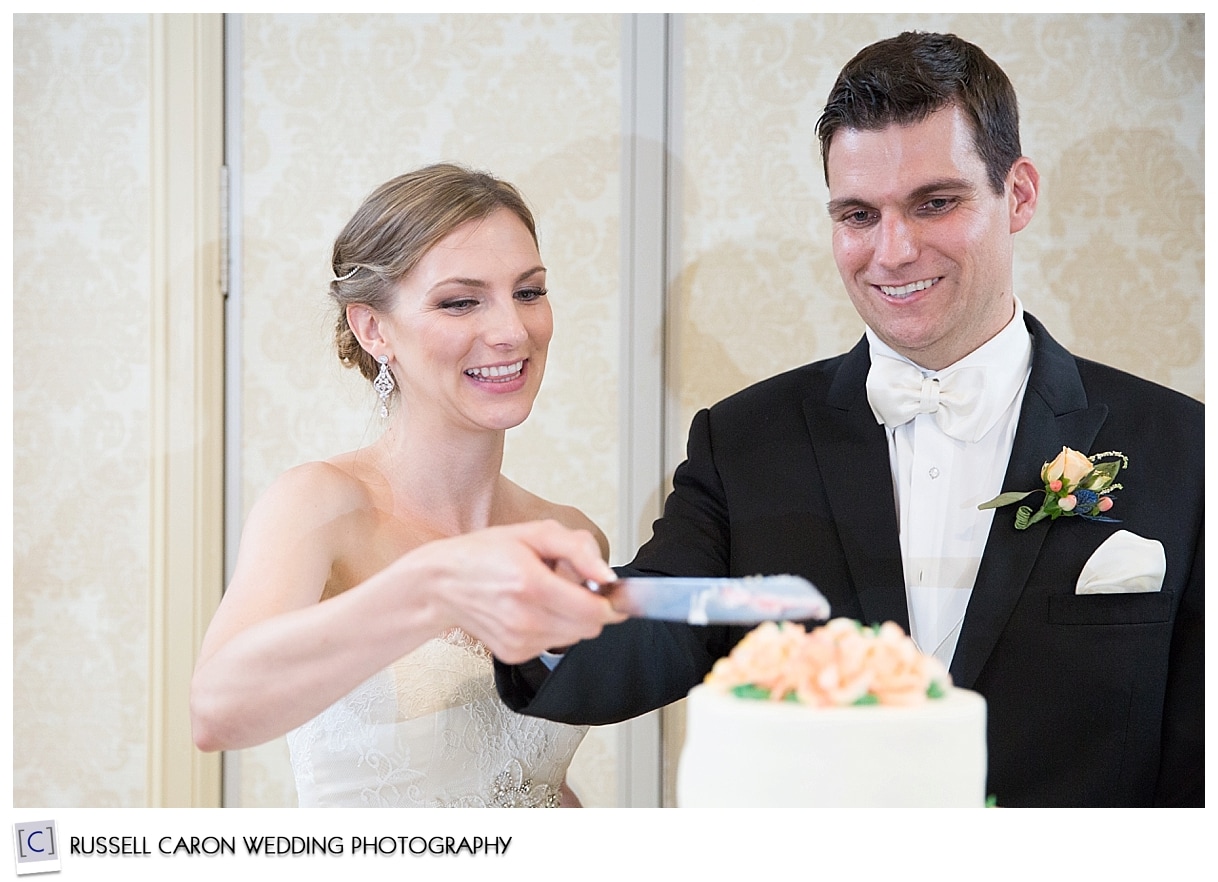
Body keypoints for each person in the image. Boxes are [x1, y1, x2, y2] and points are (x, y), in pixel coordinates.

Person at [495, 32, 1204, 807]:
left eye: (935, 203)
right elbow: (662, 620)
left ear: (1020, 194)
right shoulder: (745, 443)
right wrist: (546, 616)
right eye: (858, 214)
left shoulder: (1183, 448)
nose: (893, 251)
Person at [190, 163, 624, 807]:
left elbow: (530, 781)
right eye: (460, 301)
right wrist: (433, 587)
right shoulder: (320, 503)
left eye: (529, 292)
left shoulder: (571, 533)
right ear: (374, 329)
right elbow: (217, 712)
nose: (512, 330)